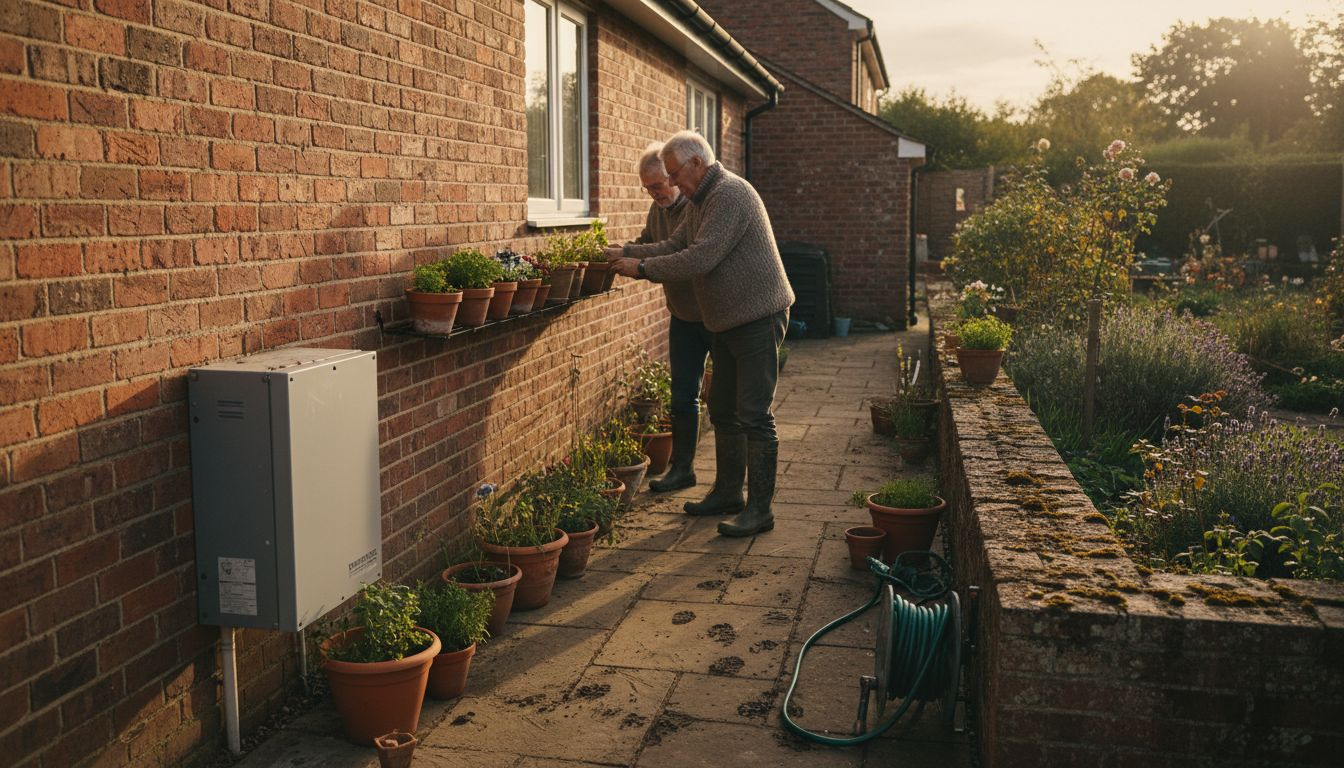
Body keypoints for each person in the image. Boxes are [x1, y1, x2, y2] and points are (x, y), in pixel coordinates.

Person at [607, 130, 794, 538]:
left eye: (674, 174)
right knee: (723, 409)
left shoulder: (730, 194)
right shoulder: (699, 200)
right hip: (726, 321)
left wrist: (640, 270)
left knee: (755, 416)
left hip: (758, 317)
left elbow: (701, 257)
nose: (672, 184)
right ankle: (728, 493)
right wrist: (624, 253)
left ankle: (760, 510)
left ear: (696, 163)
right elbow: (675, 242)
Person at [629, 143, 708, 494]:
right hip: (683, 315)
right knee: (682, 397)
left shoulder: (697, 204)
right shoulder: (657, 211)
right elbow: (649, 242)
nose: (655, 193)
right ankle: (682, 469)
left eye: (659, 185)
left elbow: (685, 256)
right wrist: (619, 253)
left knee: (725, 402)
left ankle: (730, 483)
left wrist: (640, 265)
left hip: (715, 314)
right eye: (648, 188)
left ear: (675, 176)